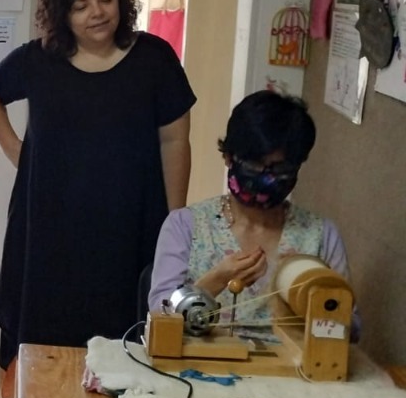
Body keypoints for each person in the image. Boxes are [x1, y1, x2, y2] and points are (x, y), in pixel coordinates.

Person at [0, 0, 195, 393]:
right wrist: (17, 151)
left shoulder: (154, 58)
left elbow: (175, 141)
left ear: (121, 1)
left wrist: (175, 221)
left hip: (132, 223)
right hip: (50, 227)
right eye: (80, 5)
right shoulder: (39, 60)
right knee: (50, 343)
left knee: (128, 341)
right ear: (63, 14)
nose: (97, 13)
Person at [148, 90, 355, 336]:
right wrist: (215, 281)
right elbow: (159, 314)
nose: (268, 179)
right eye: (255, 165)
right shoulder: (186, 226)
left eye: (281, 169)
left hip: (290, 360)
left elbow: (350, 326)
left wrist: (320, 307)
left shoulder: (320, 235)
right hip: (201, 359)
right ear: (228, 157)